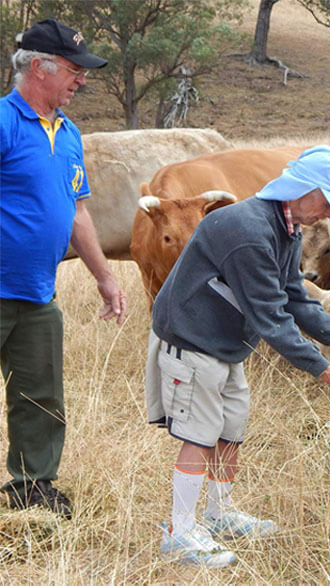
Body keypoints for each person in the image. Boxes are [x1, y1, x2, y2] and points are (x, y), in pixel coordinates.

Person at [145, 145, 330, 568]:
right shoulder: (247, 230)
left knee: (230, 425)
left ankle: (220, 512)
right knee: (199, 432)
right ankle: (179, 530)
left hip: (226, 342)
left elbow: (294, 298)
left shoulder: (286, 230)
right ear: (304, 190)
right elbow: (272, 319)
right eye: (328, 202)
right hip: (193, 337)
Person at [0, 19, 127, 519]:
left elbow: (77, 212)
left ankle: (32, 488)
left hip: (37, 295)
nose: (81, 80)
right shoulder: (4, 123)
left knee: (41, 397)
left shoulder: (69, 133)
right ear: (39, 68)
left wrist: (105, 277)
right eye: (75, 70)